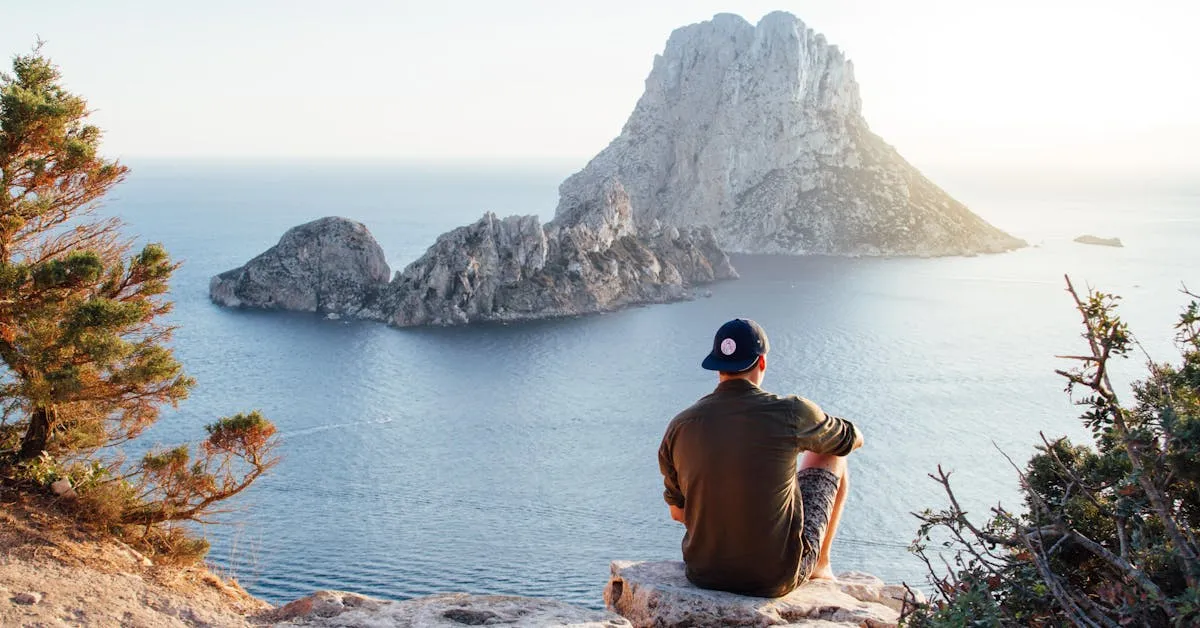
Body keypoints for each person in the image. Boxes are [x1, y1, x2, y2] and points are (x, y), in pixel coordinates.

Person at [658, 318, 863, 598]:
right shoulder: (791, 412)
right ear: (762, 363)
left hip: (703, 573)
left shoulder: (680, 425)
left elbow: (678, 513)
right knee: (833, 453)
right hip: (773, 578)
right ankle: (820, 566)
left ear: (718, 366)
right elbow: (850, 440)